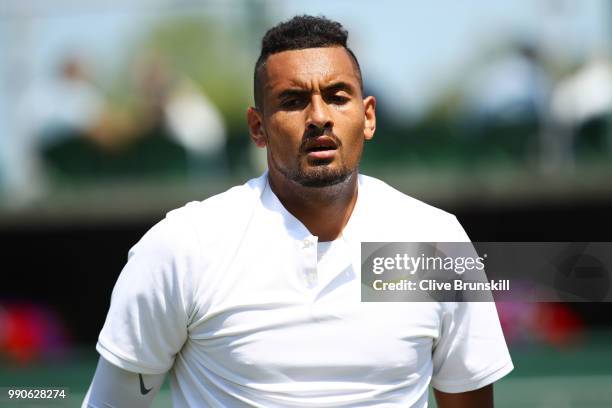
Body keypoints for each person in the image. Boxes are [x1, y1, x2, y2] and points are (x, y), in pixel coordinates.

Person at [83, 15, 513, 407]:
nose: (319, 117)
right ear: (258, 127)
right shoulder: (183, 247)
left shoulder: (435, 239)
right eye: (292, 101)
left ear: (368, 117)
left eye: (337, 96)